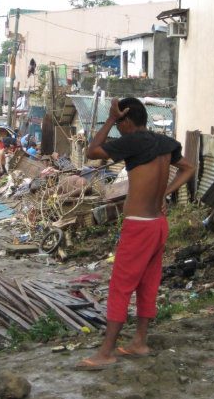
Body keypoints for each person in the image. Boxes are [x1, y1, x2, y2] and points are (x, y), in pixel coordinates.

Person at [76, 97, 195, 371]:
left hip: (139, 226)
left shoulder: (132, 141)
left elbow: (92, 151)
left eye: (119, 124)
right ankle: (139, 341)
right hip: (158, 223)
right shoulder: (165, 143)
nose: (118, 130)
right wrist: (166, 192)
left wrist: (108, 119)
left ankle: (106, 352)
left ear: (127, 120)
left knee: (120, 287)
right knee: (147, 283)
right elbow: (189, 168)